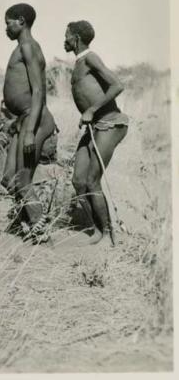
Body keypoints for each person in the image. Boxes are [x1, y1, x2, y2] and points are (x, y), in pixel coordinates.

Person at [64, 20, 128, 246]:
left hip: (110, 124)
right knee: (78, 181)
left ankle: (110, 236)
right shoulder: (79, 62)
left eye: (67, 35)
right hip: (94, 127)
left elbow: (117, 85)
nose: (65, 39)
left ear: (77, 38)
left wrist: (91, 109)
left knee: (92, 180)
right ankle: (96, 229)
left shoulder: (91, 57)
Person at [1, 3, 56, 242]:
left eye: (8, 22)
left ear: (21, 21)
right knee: (9, 178)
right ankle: (26, 223)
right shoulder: (23, 47)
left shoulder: (28, 47)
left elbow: (37, 93)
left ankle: (40, 227)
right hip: (24, 120)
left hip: (35, 120)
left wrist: (30, 131)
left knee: (23, 180)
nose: (5, 28)